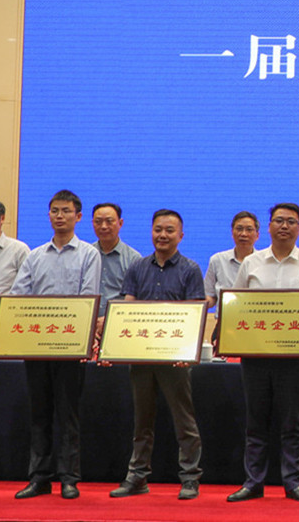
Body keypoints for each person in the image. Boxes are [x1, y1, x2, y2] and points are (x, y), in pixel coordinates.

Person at [228, 203, 299, 504]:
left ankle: (294, 482)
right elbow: (235, 302)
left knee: (293, 422)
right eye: (278, 221)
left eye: (291, 221)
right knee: (256, 422)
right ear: (269, 227)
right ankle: (253, 482)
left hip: (295, 357)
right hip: (256, 355)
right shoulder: (251, 263)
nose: (284, 226)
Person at [9, 190, 103, 500]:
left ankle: (69, 478)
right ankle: (39, 477)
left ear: (78, 216)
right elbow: (19, 295)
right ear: (48, 215)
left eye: (65, 211)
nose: (59, 216)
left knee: (68, 414)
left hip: (70, 347)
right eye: (54, 211)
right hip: (36, 345)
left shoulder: (89, 254)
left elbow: (88, 297)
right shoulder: (35, 255)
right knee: (39, 413)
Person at [111, 209, 206, 500]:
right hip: (141, 358)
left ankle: (190, 478)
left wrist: (188, 352)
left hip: (175, 359)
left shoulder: (190, 269)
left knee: (184, 421)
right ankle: (137, 477)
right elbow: (127, 309)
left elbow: (195, 315)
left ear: (181, 235)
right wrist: (119, 347)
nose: (162, 235)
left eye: (169, 230)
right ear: (151, 232)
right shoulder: (137, 267)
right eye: (158, 230)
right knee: (142, 421)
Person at [93, 203, 143, 303]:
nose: (103, 226)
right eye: (98, 222)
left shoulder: (133, 258)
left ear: (120, 223)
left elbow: (136, 296)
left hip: (118, 312)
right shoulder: (87, 254)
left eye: (109, 221)